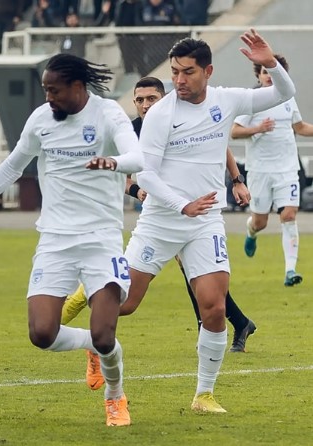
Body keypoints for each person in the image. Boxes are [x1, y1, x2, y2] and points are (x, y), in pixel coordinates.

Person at [0, 53, 144, 426]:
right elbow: (12, 166)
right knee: (41, 333)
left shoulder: (107, 114)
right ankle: (88, 345)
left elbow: (138, 157)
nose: (48, 98)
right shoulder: (41, 120)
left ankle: (115, 396)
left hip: (100, 239)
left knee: (105, 335)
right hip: (55, 239)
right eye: (45, 90)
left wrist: (113, 162)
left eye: (54, 91)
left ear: (77, 86)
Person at [111, 30, 294, 414]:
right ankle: (92, 299)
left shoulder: (227, 100)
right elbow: (146, 176)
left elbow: (284, 94)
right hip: (162, 219)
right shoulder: (161, 114)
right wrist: (182, 205)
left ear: (207, 72)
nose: (179, 80)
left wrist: (271, 64)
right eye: (175, 72)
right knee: (124, 304)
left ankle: (204, 395)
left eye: (188, 72)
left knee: (213, 307)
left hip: (205, 220)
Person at [63, 76, 257, 359]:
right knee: (168, 284)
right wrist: (138, 190)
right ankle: (237, 323)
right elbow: (119, 176)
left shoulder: (183, 118)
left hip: (199, 211)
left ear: (163, 98)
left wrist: (237, 180)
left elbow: (219, 146)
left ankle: (220, 326)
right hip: (161, 214)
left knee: (198, 275)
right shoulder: (130, 132)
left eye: (151, 98)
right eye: (139, 100)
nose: (145, 105)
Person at [231, 53, 313, 287]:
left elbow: (300, 127)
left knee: (289, 215)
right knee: (261, 222)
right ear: (258, 75)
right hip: (260, 171)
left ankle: (290, 270)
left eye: (273, 72)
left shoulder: (288, 98)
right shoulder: (252, 100)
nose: (269, 76)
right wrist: (258, 128)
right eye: (265, 72)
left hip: (287, 169)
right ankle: (251, 232)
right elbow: (234, 132)